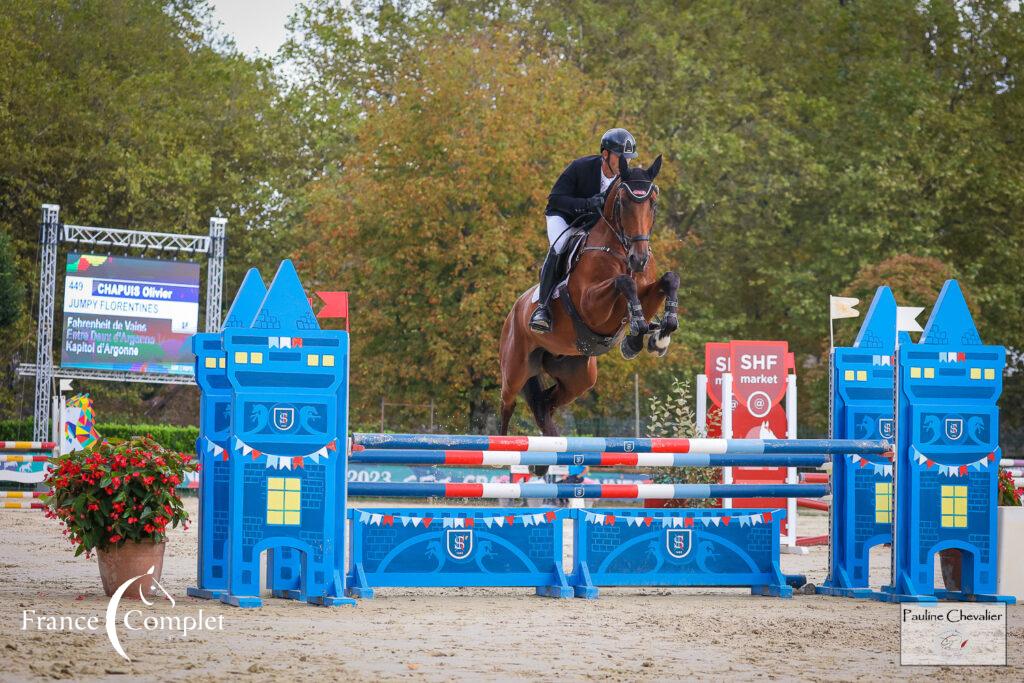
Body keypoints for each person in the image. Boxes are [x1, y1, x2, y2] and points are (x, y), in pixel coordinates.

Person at [529, 128, 638, 332]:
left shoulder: (623, 181)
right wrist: (587, 203)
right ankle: (543, 307)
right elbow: (555, 199)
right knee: (561, 245)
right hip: (564, 217)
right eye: (622, 158)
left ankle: (637, 308)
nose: (626, 164)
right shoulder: (581, 167)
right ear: (605, 154)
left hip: (593, 225)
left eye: (629, 159)